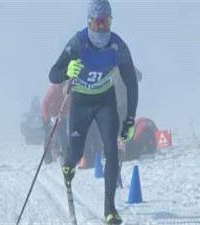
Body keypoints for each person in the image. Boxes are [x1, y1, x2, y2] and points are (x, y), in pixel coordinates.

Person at [49, 0, 138, 224]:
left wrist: (129, 120)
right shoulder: (78, 42)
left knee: (111, 148)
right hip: (80, 101)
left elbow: (131, 84)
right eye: (97, 22)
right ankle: (68, 164)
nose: (101, 28)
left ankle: (110, 209)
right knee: (76, 150)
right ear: (89, 22)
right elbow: (53, 73)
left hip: (104, 101)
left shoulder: (117, 46)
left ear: (111, 21)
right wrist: (67, 71)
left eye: (106, 22)